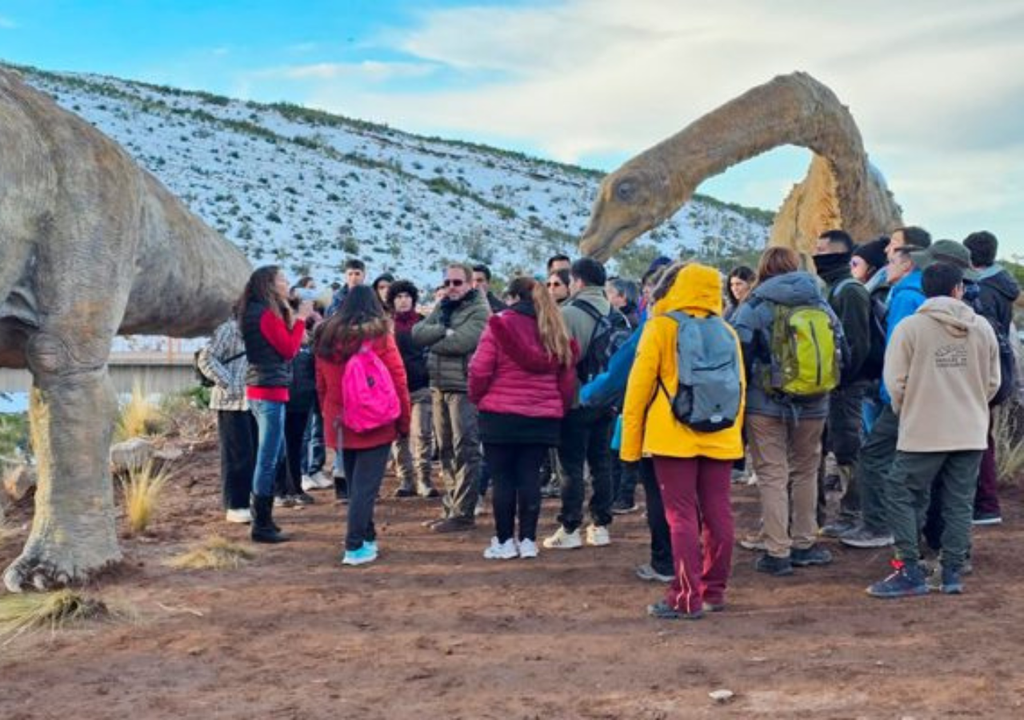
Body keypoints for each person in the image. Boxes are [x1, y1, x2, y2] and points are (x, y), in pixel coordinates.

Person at [867, 262, 999, 598]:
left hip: (923, 429)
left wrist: (909, 410)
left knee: (900, 490)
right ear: (958, 289)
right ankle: (951, 571)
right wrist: (970, 405)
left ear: (925, 290)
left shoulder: (911, 327)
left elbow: (894, 382)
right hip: (970, 429)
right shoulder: (981, 327)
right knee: (959, 501)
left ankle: (909, 568)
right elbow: (993, 382)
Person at [622, 262, 745, 619]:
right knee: (719, 512)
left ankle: (685, 596)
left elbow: (638, 391)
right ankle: (714, 591)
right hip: (720, 434)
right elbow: (740, 389)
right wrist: (734, 440)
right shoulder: (727, 331)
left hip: (672, 437)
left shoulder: (661, 327)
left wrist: (630, 449)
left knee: (681, 516)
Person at [731, 247, 842, 575]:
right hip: (815, 402)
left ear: (763, 269)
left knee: (772, 473)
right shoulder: (820, 303)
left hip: (765, 404)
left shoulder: (755, 305)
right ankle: (805, 543)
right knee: (806, 471)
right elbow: (841, 350)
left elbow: (741, 353)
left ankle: (777, 551)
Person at [469, 276, 577, 559]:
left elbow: (480, 369)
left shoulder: (499, 325)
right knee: (529, 477)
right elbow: (567, 381)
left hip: (499, 415)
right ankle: (528, 540)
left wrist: (478, 397)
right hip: (541, 417)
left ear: (514, 297)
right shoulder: (554, 328)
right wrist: (557, 409)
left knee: (502, 479)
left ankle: (504, 542)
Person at [581, 264, 675, 584]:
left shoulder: (656, 326)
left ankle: (665, 563)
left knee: (661, 498)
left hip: (662, 428)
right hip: (714, 428)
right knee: (701, 501)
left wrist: (588, 394)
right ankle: (706, 569)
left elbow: (621, 371)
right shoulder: (719, 324)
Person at [842, 240, 930, 549]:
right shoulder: (926, 292)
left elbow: (897, 349)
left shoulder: (905, 297)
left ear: (907, 265)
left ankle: (877, 525)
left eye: (892, 261)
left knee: (874, 456)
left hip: (900, 394)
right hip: (926, 394)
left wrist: (884, 391)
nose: (887, 266)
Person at [315, 286, 411, 566]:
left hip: (340, 422)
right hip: (376, 420)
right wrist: (403, 421)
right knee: (365, 490)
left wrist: (328, 415)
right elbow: (398, 379)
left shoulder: (325, 335)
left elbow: (320, 384)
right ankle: (354, 546)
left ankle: (367, 538)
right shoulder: (379, 335)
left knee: (358, 484)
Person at [544, 257, 618, 550]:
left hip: (575, 400)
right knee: (601, 463)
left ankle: (570, 527)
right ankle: (600, 526)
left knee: (570, 466)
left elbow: (556, 358)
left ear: (578, 281)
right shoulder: (615, 313)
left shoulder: (568, 313)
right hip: (606, 400)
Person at [413, 263, 489, 532]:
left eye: (457, 283)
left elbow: (462, 343)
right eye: (448, 283)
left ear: (471, 284)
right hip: (439, 386)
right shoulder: (444, 306)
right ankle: (451, 507)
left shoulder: (480, 309)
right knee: (445, 449)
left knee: (465, 449)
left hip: (463, 388)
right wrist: (442, 332)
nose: (451, 288)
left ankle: (464, 512)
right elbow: (417, 333)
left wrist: (436, 337)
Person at [239, 265, 311, 543]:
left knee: (272, 455)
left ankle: (264, 519)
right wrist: (302, 319)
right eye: (282, 279)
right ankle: (262, 524)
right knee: (268, 459)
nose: (286, 283)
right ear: (269, 284)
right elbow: (290, 349)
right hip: (269, 391)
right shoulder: (266, 314)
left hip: (261, 388)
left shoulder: (255, 310)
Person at [814, 230, 873, 537]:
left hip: (847, 387)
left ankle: (855, 513)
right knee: (832, 447)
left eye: (821, 249)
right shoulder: (832, 288)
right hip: (833, 386)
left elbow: (857, 345)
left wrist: (839, 380)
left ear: (839, 253)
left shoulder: (849, 291)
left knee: (849, 448)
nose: (816, 254)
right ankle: (829, 515)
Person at [963, 230, 1020, 526]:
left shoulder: (981, 290)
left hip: (983, 370)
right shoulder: (1004, 286)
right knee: (982, 434)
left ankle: (985, 504)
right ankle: (986, 501)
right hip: (1000, 368)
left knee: (977, 437)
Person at [198, 307, 255, 524]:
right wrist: (229, 383)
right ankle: (235, 504)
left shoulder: (254, 330)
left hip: (252, 400)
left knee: (249, 453)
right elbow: (206, 358)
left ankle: (245, 500)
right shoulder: (228, 329)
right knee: (236, 455)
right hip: (231, 402)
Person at [386, 280, 438, 498]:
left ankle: (424, 478)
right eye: (398, 297)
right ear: (392, 301)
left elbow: (433, 351)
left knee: (423, 433)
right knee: (399, 434)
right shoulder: (387, 326)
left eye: (407, 296)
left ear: (413, 299)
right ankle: (406, 478)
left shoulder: (423, 323)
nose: (403, 300)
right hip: (394, 389)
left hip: (421, 386)